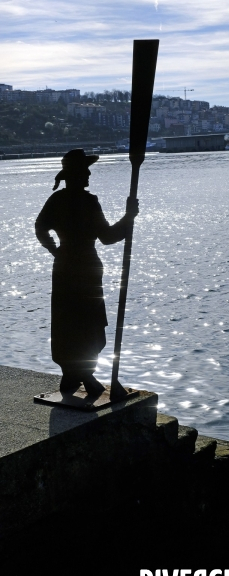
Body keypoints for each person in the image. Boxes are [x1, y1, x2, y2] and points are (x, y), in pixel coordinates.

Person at [35, 149, 138, 397]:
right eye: (85, 171)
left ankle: (72, 374)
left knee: (69, 321)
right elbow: (108, 236)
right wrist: (129, 217)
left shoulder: (56, 200)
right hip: (86, 268)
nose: (89, 175)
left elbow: (40, 227)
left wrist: (56, 251)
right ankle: (84, 376)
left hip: (63, 266)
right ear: (77, 175)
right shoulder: (87, 201)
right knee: (87, 323)